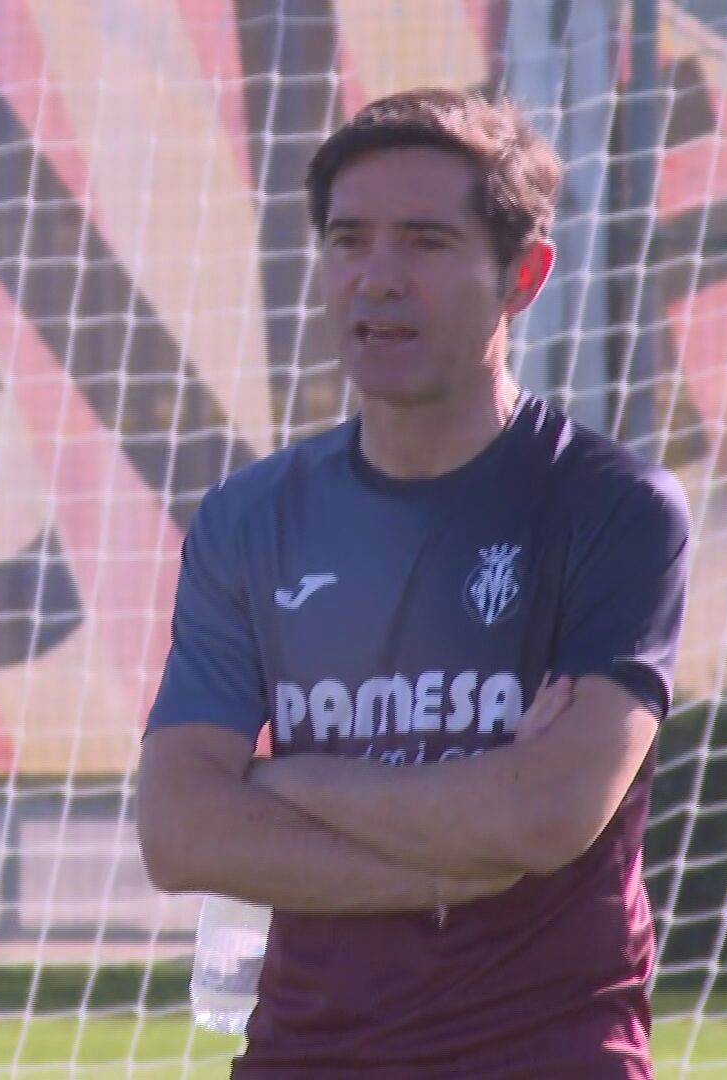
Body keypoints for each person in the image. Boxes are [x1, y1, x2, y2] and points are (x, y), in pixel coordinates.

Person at [137, 88, 691, 1077]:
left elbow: (545, 815)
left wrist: (287, 779)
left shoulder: (614, 510)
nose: (376, 278)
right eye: (349, 240)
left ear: (524, 276)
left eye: (426, 243)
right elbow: (180, 832)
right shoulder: (250, 519)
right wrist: (455, 857)